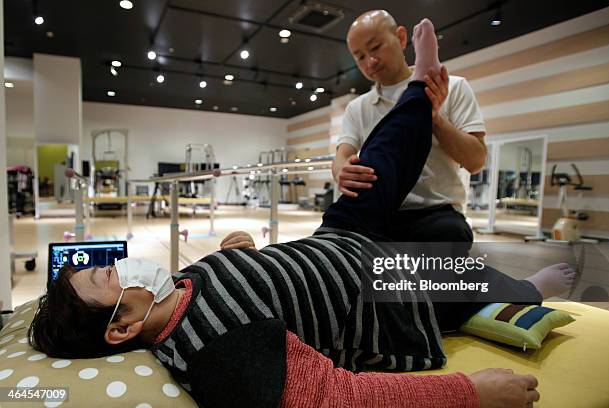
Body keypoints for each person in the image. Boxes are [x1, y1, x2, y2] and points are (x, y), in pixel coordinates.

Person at [29, 19, 572, 408]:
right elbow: (340, 395)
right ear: (121, 330)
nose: (123, 267)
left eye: (109, 264)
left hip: (334, 239)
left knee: (371, 172)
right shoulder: (221, 354)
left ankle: (417, 91)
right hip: (376, 292)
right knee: (469, 281)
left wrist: (240, 256)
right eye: (108, 276)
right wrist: (471, 393)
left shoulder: (174, 288)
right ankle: (531, 291)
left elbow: (257, 291)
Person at [333, 10, 487, 243]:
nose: (370, 61)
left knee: (447, 236)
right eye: (360, 57)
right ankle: (416, 97)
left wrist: (433, 118)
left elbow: (476, 161)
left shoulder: (453, 88)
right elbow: (342, 154)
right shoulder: (357, 108)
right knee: (333, 233)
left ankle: (416, 98)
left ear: (402, 38)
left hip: (435, 212)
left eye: (375, 48)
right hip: (379, 209)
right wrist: (341, 171)